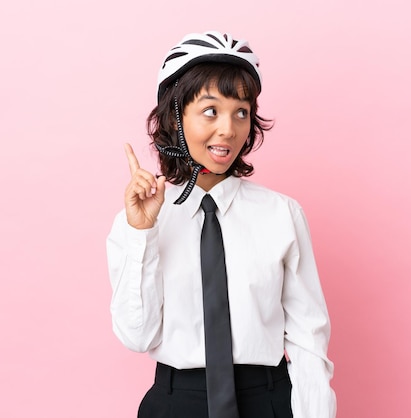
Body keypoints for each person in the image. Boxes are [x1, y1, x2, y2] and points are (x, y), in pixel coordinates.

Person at [107, 30, 336, 418]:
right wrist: (142, 234)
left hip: (267, 400)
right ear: (174, 118)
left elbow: (308, 341)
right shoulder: (138, 222)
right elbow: (137, 335)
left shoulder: (282, 214)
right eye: (211, 111)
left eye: (241, 112)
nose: (229, 129)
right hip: (177, 403)